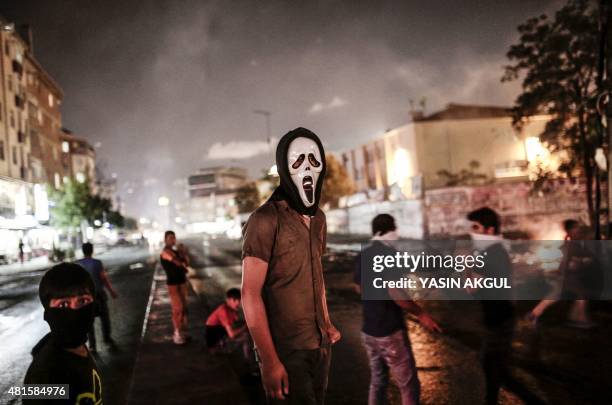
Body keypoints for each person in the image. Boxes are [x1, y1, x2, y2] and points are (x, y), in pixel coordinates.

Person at [242, 127, 341, 404]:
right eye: (297, 161)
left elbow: (315, 276)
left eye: (313, 160)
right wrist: (269, 361)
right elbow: (250, 294)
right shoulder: (264, 220)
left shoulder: (318, 218)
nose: (307, 168)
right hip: (286, 350)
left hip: (320, 346)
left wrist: (327, 322)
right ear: (285, 169)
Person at [353, 214, 441, 405]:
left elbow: (359, 288)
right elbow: (398, 295)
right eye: (395, 230)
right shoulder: (390, 256)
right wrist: (422, 314)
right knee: (408, 385)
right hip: (389, 331)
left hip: (368, 330)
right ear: (390, 231)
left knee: (378, 382)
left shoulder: (363, 254)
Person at [467, 207, 544, 405]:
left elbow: (471, 288)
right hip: (500, 317)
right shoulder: (496, 250)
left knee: (497, 369)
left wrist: (468, 267)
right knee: (493, 366)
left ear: (489, 230)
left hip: (498, 319)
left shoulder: (491, 253)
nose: (472, 232)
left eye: (476, 227)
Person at [24, 263, 103, 404]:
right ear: (47, 313)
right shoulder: (45, 376)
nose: (75, 312)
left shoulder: (79, 348)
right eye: (63, 304)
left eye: (83, 301)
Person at [527, 219, 601, 328]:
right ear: (570, 231)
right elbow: (566, 262)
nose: (578, 230)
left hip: (568, 277)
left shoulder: (573, 243)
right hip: (568, 277)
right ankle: (579, 319)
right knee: (581, 295)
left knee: (554, 296)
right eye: (575, 227)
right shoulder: (570, 245)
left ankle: (533, 315)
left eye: (578, 227)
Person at [77, 242, 118, 353]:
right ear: (92, 250)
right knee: (104, 318)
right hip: (99, 295)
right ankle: (107, 339)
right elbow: (103, 278)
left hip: (85, 298)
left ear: (83, 251)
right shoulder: (97, 263)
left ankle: (92, 345)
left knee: (89, 321)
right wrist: (111, 291)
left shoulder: (78, 265)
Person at [206, 288, 256, 369]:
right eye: (234, 300)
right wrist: (246, 327)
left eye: (238, 300)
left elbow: (236, 321)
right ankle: (250, 364)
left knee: (245, 328)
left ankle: (251, 357)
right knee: (246, 337)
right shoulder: (223, 311)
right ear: (228, 300)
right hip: (215, 346)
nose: (237, 302)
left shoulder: (229, 308)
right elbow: (232, 335)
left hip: (220, 337)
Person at [159, 230, 190, 345]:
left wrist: (183, 253)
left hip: (182, 282)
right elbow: (177, 263)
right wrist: (181, 256)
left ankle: (184, 331)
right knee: (178, 308)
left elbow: (186, 264)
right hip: (173, 285)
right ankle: (177, 333)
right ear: (165, 239)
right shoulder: (165, 252)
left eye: (174, 237)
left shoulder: (176, 252)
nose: (173, 240)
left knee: (185, 309)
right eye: (171, 238)